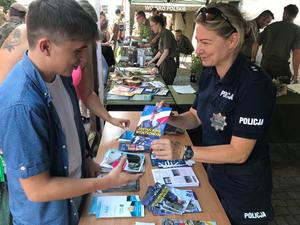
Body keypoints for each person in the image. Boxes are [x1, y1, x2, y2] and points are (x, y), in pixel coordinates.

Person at [0, 1, 142, 225]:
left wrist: (86, 158)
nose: (81, 60)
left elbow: (71, 125)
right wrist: (104, 183)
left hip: (72, 200)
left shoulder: (62, 73)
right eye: (76, 51)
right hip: (48, 217)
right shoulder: (22, 105)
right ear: (46, 47)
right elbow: (37, 190)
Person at [151, 3, 276, 225]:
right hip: (213, 174)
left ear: (232, 40)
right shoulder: (210, 73)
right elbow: (196, 116)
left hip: (244, 191)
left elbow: (239, 153)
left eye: (206, 42)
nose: (198, 49)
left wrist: (182, 151)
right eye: (198, 40)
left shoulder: (255, 84)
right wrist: (170, 117)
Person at [252, 4, 300, 83]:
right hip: (280, 66)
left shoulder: (271, 26)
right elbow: (297, 52)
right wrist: (295, 74)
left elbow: (256, 43)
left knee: (263, 87)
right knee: (283, 90)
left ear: (285, 13)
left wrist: (253, 59)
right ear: (295, 15)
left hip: (265, 64)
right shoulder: (297, 30)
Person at [146, 15, 177, 85]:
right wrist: (150, 62)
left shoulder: (166, 33)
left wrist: (156, 66)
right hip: (164, 63)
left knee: (165, 86)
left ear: (158, 24)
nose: (151, 28)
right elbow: (160, 51)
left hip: (168, 65)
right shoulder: (162, 33)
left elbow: (166, 52)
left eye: (152, 25)